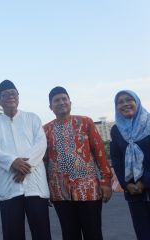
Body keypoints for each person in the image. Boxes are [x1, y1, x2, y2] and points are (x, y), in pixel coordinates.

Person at [0, 80, 51, 240]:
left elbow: (41, 144)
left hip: (35, 186)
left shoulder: (32, 118)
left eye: (13, 93)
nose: (10, 97)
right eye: (5, 95)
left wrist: (25, 167)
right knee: (13, 234)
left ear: (18, 97)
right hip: (9, 187)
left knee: (42, 233)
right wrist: (13, 162)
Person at [43, 86, 112, 240]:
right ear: (50, 106)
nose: (61, 102)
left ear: (70, 102)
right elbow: (43, 162)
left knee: (93, 233)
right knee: (69, 234)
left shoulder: (85, 122)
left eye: (64, 99)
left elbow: (100, 152)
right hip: (60, 192)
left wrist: (106, 181)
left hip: (88, 190)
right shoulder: (45, 130)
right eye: (56, 100)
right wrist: (44, 190)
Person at [110, 90, 150, 240]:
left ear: (137, 102)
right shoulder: (116, 130)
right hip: (134, 192)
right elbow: (116, 159)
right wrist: (127, 185)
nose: (125, 104)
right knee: (143, 232)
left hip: (146, 183)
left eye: (129, 100)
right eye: (120, 102)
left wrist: (144, 182)